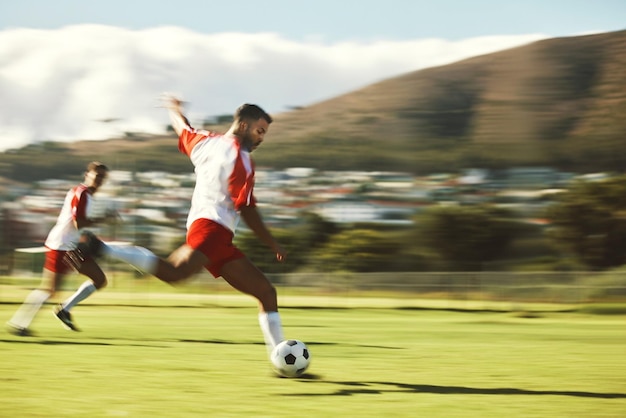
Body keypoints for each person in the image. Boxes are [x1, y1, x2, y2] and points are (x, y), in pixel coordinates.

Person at [67, 96, 287, 358]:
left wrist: (174, 109)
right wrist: (272, 242)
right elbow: (247, 208)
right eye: (259, 131)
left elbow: (182, 128)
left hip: (209, 230)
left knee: (266, 292)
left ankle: (281, 360)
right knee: (174, 273)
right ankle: (102, 248)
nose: (261, 138)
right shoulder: (241, 159)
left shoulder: (205, 141)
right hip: (212, 229)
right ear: (243, 126)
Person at [7, 161, 116, 335]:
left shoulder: (86, 195)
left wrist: (87, 237)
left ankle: (64, 309)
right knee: (50, 290)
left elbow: (77, 224)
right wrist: (103, 219)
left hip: (71, 248)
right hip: (61, 247)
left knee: (99, 279)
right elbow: (78, 222)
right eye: (97, 175)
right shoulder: (82, 193)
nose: (100, 179)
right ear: (87, 175)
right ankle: (19, 324)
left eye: (103, 176)